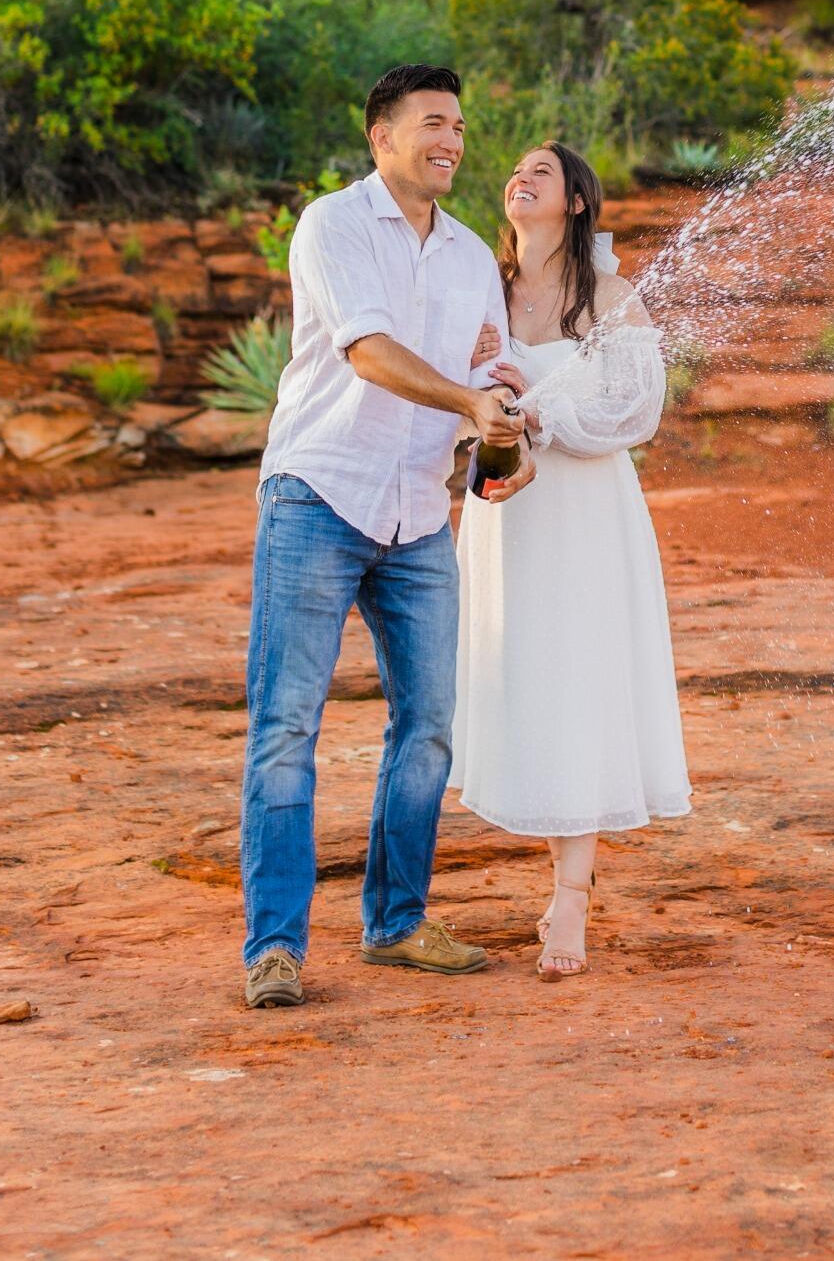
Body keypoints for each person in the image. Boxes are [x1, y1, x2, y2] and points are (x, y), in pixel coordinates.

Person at [239, 64, 534, 1011]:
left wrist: (505, 418)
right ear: (381, 137)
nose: (451, 139)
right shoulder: (331, 224)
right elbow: (364, 351)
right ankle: (275, 949)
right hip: (318, 497)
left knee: (431, 726)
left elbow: (493, 365)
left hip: (416, 516)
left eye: (459, 124)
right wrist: (467, 400)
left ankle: (396, 924)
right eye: (431, 123)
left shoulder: (469, 255)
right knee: (287, 730)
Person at [451, 140, 690, 980]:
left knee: (580, 683)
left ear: (576, 203)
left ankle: (573, 903)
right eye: (514, 170)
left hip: (585, 513)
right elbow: (451, 396)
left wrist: (543, 418)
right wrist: (489, 406)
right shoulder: (482, 290)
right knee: (533, 684)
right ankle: (563, 884)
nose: (520, 178)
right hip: (507, 516)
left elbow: (636, 410)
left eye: (540, 172)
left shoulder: (611, 298)